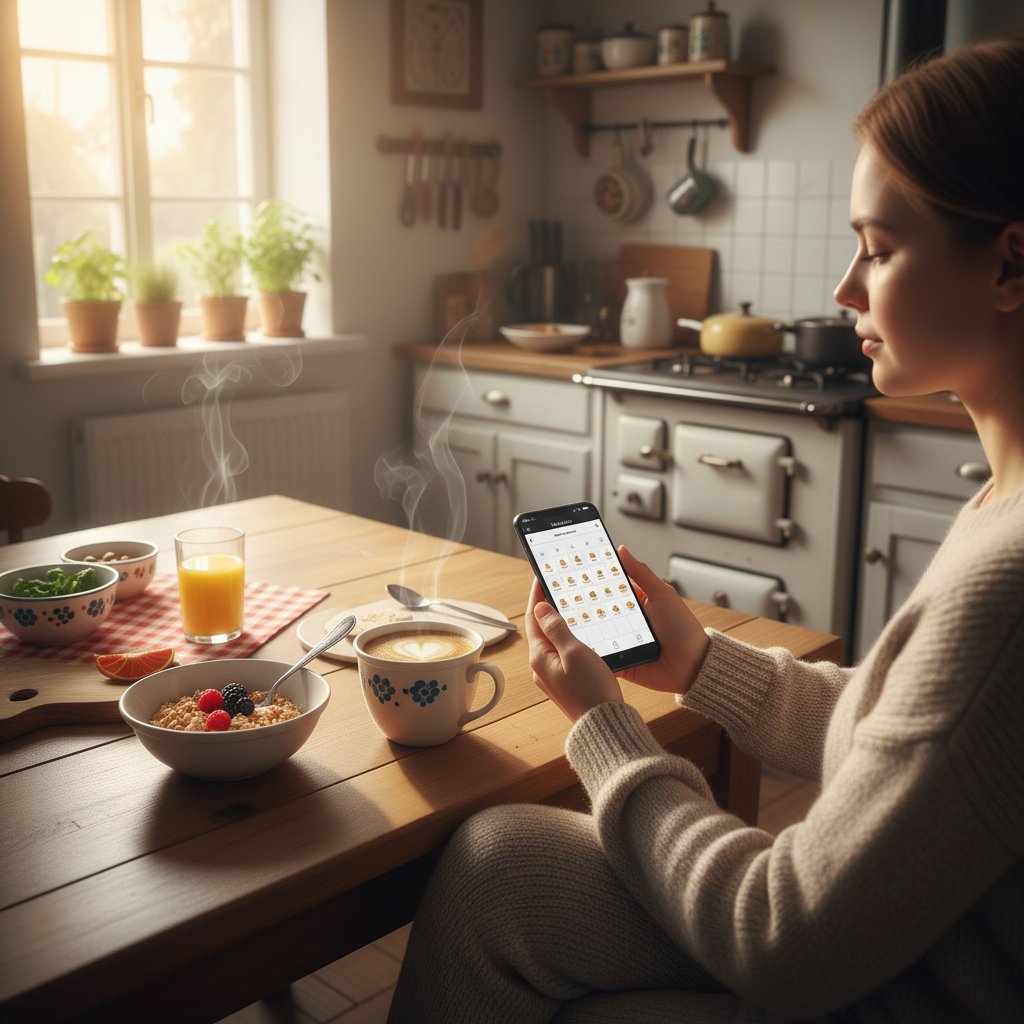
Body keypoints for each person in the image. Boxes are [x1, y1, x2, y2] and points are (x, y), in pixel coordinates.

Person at [388, 34, 1024, 1024]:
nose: (844, 289)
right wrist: (695, 658)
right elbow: (909, 735)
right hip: (901, 946)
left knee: (513, 901)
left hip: (900, 989)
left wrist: (603, 727)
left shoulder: (1012, 579)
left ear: (1010, 265)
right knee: (499, 860)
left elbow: (781, 938)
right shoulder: (1002, 500)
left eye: (881, 247)